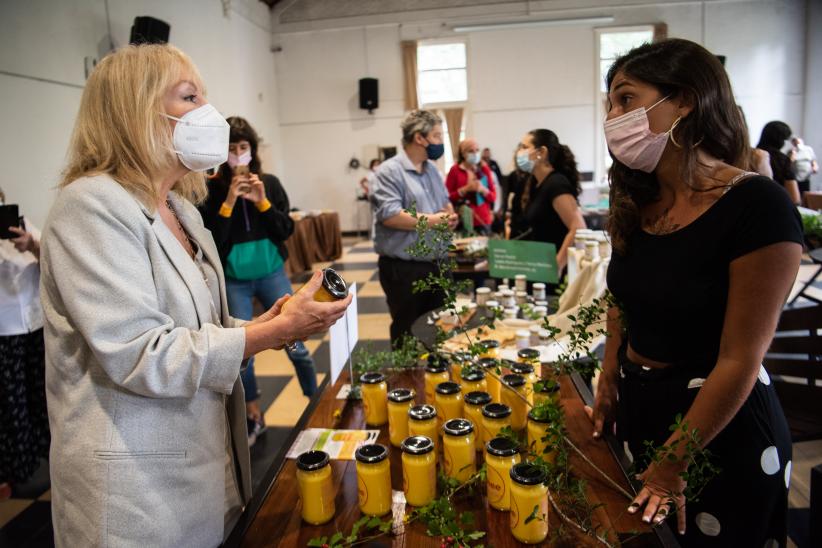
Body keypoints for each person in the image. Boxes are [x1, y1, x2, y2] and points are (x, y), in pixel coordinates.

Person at [40, 44, 351, 547]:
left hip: (203, 466)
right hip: (136, 484)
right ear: (136, 111)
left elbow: (196, 330)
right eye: (189, 97)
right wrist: (277, 332)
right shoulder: (90, 206)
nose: (208, 113)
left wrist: (265, 324)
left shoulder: (182, 211)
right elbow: (143, 354)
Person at [589, 38, 802, 547]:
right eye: (610, 105)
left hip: (715, 431)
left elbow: (739, 359)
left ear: (684, 101)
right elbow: (622, 297)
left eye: (625, 100)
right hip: (642, 410)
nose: (612, 117)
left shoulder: (757, 207)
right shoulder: (638, 198)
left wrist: (672, 463)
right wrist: (610, 371)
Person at [199, 116, 317, 445]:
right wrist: (230, 202)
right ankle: (253, 416)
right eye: (231, 148)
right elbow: (213, 243)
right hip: (234, 280)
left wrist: (262, 201)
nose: (238, 154)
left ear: (252, 149)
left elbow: (285, 230)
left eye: (243, 147)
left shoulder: (271, 182)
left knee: (297, 341)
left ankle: (315, 400)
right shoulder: (209, 190)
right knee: (241, 349)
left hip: (271, 273)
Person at [370, 109, 458, 345]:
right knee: (407, 332)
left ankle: (438, 378)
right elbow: (390, 215)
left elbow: (444, 203)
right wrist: (436, 220)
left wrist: (449, 215)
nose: (440, 143)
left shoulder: (432, 171)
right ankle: (407, 380)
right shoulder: (389, 171)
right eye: (438, 136)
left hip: (438, 261)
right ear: (420, 138)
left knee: (442, 328)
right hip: (404, 269)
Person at [0, 187, 50, 501]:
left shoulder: (22, 224)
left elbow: (54, 261)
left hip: (35, 324)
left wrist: (31, 244)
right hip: (4, 333)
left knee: (39, 392)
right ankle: (21, 469)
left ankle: (46, 456)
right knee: (12, 402)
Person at [514, 129, 586, 271]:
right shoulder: (536, 184)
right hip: (540, 265)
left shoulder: (556, 183)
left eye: (524, 147)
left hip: (555, 272)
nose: (519, 152)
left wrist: (557, 265)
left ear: (541, 152)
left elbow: (578, 228)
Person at [445, 138, 497, 234]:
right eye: (470, 151)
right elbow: (447, 197)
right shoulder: (455, 170)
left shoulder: (484, 169)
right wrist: (464, 190)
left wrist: (482, 190)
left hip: (483, 221)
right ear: (463, 153)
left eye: (477, 150)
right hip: (461, 220)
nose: (475, 153)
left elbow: (493, 197)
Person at [757, 121, 801, 204]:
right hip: (775, 207)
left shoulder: (748, 155)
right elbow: (795, 199)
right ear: (781, 140)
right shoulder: (782, 160)